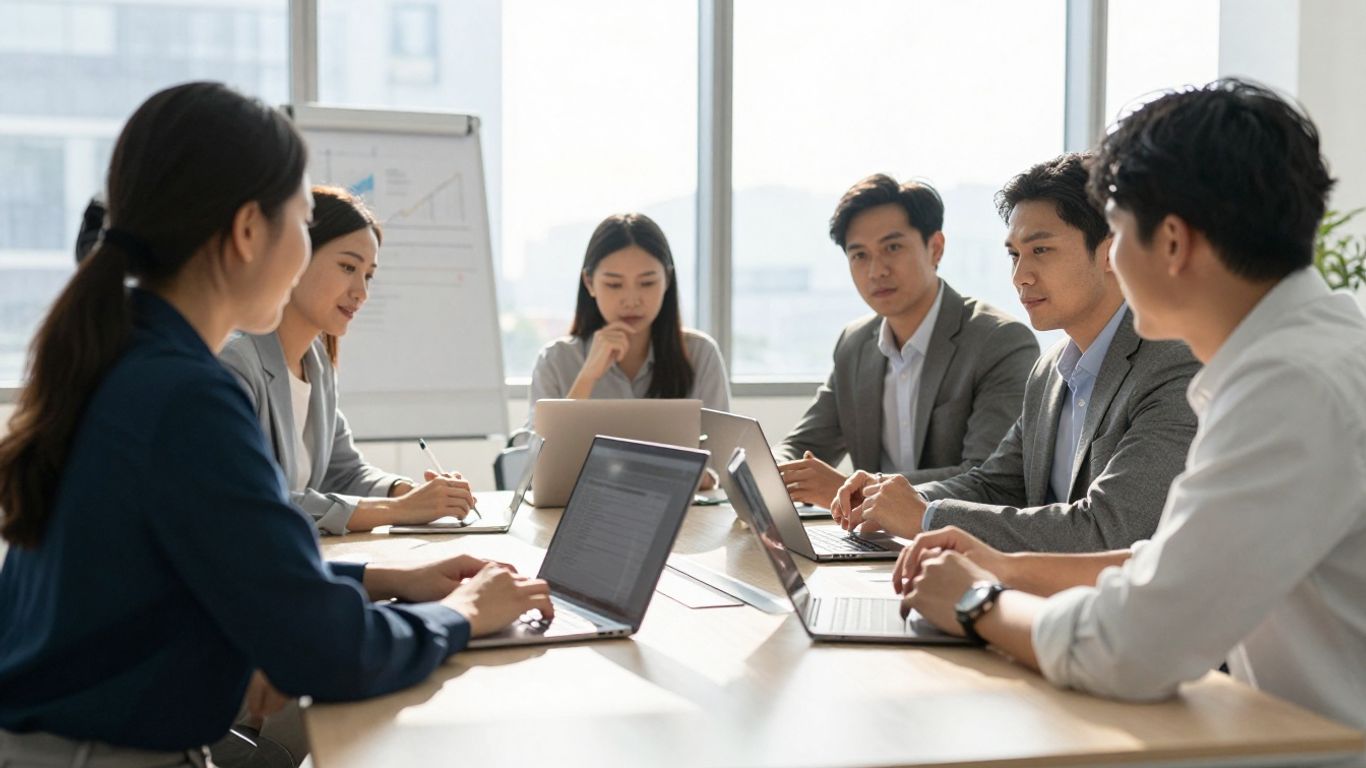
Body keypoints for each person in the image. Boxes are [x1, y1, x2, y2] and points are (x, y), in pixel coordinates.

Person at [0, 81, 551, 766]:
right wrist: (465, 613)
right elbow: (325, 651)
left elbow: (240, 568)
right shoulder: (184, 396)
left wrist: (394, 580)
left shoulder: (129, 360)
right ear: (247, 232)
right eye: (300, 220)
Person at [896, 80, 1366, 766]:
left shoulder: (1287, 384)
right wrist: (1006, 566)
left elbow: (1133, 647)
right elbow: (1185, 560)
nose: (1112, 259)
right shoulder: (1312, 347)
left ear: (1171, 241)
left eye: (1114, 233)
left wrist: (975, 603)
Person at [832, 153, 1200, 553]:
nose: (1020, 276)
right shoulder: (1050, 371)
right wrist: (889, 494)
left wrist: (925, 518)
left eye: (1040, 250)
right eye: (1014, 254)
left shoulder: (1173, 364)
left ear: (1110, 253)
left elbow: (1109, 530)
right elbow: (996, 483)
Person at [218, 186, 474, 535]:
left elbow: (346, 472)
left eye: (368, 275)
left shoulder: (318, 365)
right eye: (347, 266)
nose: (361, 292)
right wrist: (399, 509)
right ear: (297, 257)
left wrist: (412, 493)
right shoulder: (235, 364)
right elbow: (261, 503)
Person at [774, 175, 1038, 508]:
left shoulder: (998, 341)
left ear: (935, 248)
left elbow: (989, 477)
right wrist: (774, 472)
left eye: (892, 248)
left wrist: (859, 491)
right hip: (871, 540)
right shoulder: (853, 344)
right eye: (859, 255)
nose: (876, 271)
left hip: (954, 542)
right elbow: (802, 443)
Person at [528, 212, 731, 418]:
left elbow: (722, 447)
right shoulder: (556, 360)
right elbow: (538, 450)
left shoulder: (700, 354)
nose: (631, 300)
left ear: (667, 280)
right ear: (589, 283)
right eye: (614, 285)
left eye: (647, 283)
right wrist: (587, 377)